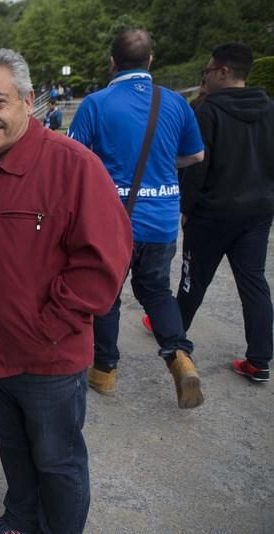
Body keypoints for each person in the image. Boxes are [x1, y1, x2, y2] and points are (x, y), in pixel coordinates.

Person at [0, 48, 132, 534]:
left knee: (57, 462)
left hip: (46, 359)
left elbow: (102, 266)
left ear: (29, 101)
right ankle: (19, 523)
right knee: (12, 448)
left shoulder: (73, 167)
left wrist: (45, 328)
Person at [68, 28, 206, 408]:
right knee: (157, 291)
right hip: (161, 220)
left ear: (112, 62)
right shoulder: (176, 103)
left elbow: (74, 162)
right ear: (151, 60)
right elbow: (195, 157)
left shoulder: (96, 103)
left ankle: (105, 371)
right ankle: (179, 355)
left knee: (107, 295)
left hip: (114, 222)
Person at [178, 43, 274, 383]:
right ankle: (260, 359)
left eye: (206, 70)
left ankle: (174, 336)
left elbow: (196, 166)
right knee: (254, 283)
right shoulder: (269, 108)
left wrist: (186, 209)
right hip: (258, 212)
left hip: (213, 212)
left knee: (194, 278)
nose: (205, 76)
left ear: (222, 71)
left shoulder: (209, 111)